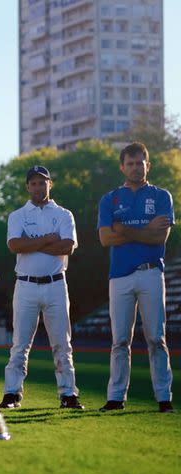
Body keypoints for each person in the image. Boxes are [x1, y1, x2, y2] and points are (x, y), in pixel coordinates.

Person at [97, 142, 174, 413]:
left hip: (152, 272)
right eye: (130, 163)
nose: (135, 167)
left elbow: (160, 237)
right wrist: (143, 230)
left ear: (147, 165)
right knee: (120, 340)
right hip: (119, 276)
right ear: (122, 167)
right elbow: (106, 238)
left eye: (140, 163)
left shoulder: (162, 196)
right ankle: (116, 398)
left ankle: (164, 398)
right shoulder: (110, 199)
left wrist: (124, 230)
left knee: (156, 338)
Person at [0, 165, 83, 409]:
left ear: (50, 184)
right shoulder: (17, 215)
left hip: (56, 284)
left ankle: (68, 394)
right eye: (33, 183)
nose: (38, 186)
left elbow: (67, 246)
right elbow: (15, 245)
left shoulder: (64, 214)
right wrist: (48, 239)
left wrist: (32, 243)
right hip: (25, 285)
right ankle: (12, 393)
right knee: (20, 344)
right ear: (28, 186)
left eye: (42, 182)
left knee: (62, 343)